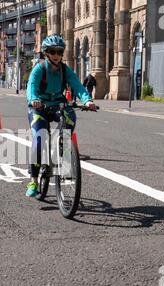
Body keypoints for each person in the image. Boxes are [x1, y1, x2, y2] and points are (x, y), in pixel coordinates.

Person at [25, 34, 97, 197]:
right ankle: (34, 180)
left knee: (70, 117)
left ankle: (62, 154)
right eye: (52, 51)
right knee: (38, 139)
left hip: (59, 104)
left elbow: (78, 86)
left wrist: (87, 101)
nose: (56, 55)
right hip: (39, 107)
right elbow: (31, 86)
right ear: (46, 53)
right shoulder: (39, 69)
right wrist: (34, 99)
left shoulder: (65, 70)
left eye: (59, 52)